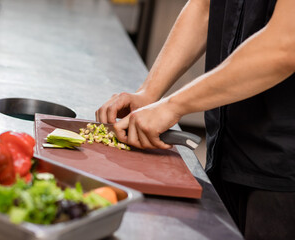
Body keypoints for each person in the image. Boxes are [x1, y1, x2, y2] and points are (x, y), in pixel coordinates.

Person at [96, 0, 295, 239]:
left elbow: (285, 45)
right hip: (228, 148)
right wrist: (148, 93)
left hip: (285, 169)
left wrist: (173, 106)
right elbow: (205, 7)